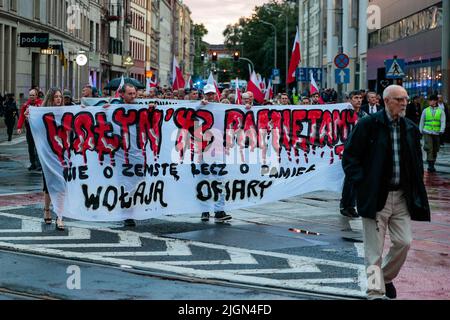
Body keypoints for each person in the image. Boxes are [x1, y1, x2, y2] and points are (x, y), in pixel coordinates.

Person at [342, 84, 430, 299]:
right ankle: (374, 290)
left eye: (406, 99)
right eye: (399, 99)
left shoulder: (409, 128)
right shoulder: (367, 125)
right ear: (387, 101)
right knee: (374, 252)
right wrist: (362, 184)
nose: (404, 103)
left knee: (404, 242)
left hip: (401, 197)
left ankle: (386, 278)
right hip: (375, 197)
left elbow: (417, 162)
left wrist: (417, 187)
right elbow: (350, 158)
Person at [200, 84, 232, 223]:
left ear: (216, 94)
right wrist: (199, 105)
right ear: (204, 95)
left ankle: (219, 212)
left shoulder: (221, 110)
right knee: (204, 181)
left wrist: (247, 108)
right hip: (204, 151)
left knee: (220, 182)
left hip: (218, 151)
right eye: (208, 94)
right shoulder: (199, 108)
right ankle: (204, 211)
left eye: (212, 94)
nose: (210, 96)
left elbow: (237, 116)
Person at [40, 88, 66, 231]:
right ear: (50, 98)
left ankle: (60, 216)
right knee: (48, 185)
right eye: (56, 97)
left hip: (63, 154)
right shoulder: (42, 113)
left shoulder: (65, 112)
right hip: (48, 154)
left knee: (61, 185)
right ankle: (47, 209)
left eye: (60, 97)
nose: (58, 99)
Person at [340, 91, 367, 218]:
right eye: (356, 98)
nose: (359, 100)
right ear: (350, 100)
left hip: (361, 151)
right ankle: (345, 205)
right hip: (347, 150)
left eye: (360, 98)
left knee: (356, 180)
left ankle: (352, 205)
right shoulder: (344, 114)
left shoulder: (364, 115)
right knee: (349, 179)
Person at [419, 94, 446, 172]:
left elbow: (443, 121)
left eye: (431, 100)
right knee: (429, 148)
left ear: (435, 101)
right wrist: (421, 130)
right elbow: (422, 121)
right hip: (427, 132)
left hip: (437, 133)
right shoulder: (425, 110)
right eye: (429, 100)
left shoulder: (441, 111)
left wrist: (442, 130)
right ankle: (430, 166)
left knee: (435, 149)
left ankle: (432, 163)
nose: (429, 102)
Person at [17, 88, 43, 171]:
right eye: (30, 95)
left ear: (36, 95)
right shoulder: (26, 105)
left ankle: (39, 164)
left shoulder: (41, 104)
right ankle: (33, 164)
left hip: (38, 130)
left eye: (33, 95)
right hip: (29, 129)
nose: (31, 97)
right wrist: (19, 127)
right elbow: (22, 116)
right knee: (30, 147)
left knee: (38, 147)